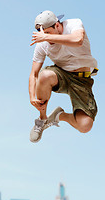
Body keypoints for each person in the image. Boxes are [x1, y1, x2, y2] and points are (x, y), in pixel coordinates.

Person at [29, 10, 98, 143]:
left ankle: (59, 116)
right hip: (62, 75)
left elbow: (78, 40)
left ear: (58, 25)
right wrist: (32, 96)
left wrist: (46, 37)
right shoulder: (42, 43)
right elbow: (34, 74)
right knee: (44, 76)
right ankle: (42, 119)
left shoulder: (74, 24)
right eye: (42, 34)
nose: (45, 37)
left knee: (85, 126)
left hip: (82, 80)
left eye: (48, 32)